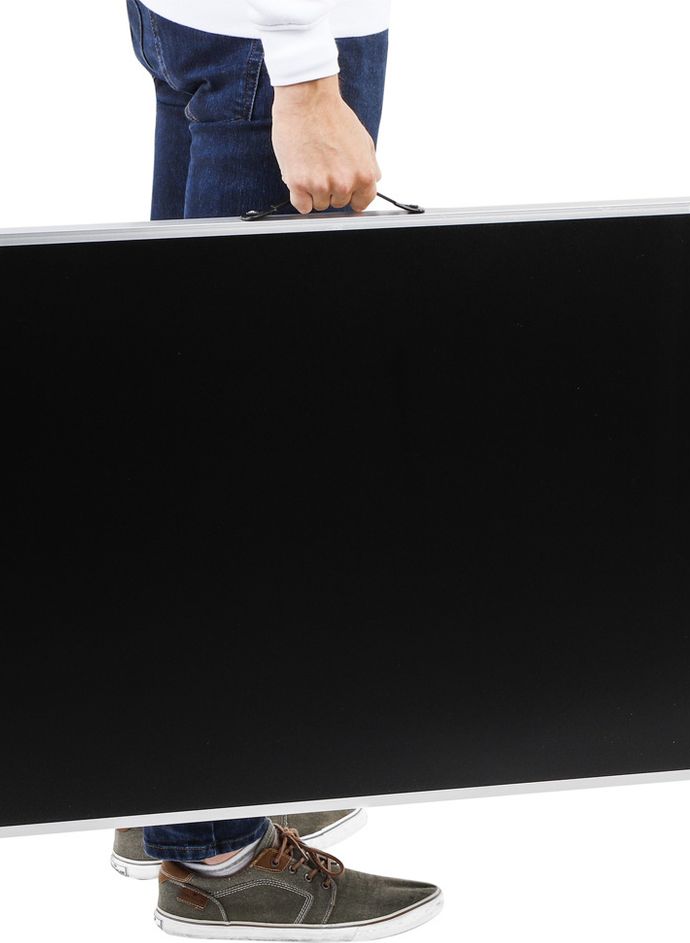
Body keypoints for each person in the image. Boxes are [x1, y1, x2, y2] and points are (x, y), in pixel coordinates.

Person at [111, 1, 444, 939]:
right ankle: (215, 851)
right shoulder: (286, 60)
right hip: (270, 45)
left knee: (195, 434)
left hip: (215, 26)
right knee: (244, 463)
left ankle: (185, 793)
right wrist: (304, 73)